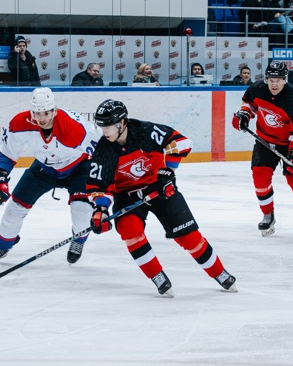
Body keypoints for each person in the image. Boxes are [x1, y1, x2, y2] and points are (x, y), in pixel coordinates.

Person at [86, 99, 236, 297]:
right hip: (127, 197)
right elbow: (98, 186)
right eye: (101, 125)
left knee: (188, 236)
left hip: (159, 188)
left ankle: (219, 272)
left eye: (109, 125)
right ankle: (157, 276)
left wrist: (168, 171)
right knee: (130, 231)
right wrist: (101, 209)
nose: (104, 130)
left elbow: (182, 142)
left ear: (122, 123)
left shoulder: (145, 131)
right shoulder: (103, 151)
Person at [0, 88, 99, 265]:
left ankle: (78, 241)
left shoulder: (73, 128)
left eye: (45, 113)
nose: (41, 118)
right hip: (44, 167)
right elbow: (8, 151)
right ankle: (3, 246)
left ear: (54, 110)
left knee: (81, 208)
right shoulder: (21, 122)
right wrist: (0, 177)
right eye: (36, 113)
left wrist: (104, 191)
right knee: (15, 207)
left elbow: (103, 152)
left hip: (79, 167)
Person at [231, 61, 293, 237]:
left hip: (290, 143)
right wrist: (244, 114)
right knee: (259, 174)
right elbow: (249, 103)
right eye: (271, 80)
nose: (274, 84)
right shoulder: (257, 89)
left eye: (278, 80)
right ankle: (267, 215)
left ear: (285, 79)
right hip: (265, 141)